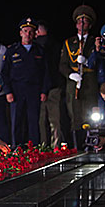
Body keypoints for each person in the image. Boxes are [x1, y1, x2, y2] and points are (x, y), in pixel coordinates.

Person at [2, 17, 51, 147]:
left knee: (33, 121)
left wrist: (44, 91)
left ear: (35, 34)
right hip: (16, 89)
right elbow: (4, 73)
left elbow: (45, 73)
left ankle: (34, 148)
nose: (27, 34)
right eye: (25, 31)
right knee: (16, 121)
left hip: (34, 90)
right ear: (20, 33)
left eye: (30, 32)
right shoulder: (12, 50)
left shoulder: (40, 50)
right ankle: (16, 148)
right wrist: (8, 91)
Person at [59, 5, 98, 149]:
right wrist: (71, 75)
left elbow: (98, 61)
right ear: (76, 24)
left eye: (85, 22)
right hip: (73, 83)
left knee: (90, 115)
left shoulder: (95, 41)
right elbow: (62, 65)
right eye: (80, 21)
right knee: (74, 116)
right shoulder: (69, 43)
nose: (82, 24)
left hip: (90, 82)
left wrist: (87, 62)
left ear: (90, 24)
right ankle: (77, 148)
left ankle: (91, 145)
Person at [35, 19, 65, 149]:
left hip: (41, 86)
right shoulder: (57, 44)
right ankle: (56, 147)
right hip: (55, 85)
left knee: (41, 120)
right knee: (55, 120)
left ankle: (42, 147)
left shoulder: (36, 46)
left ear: (38, 31)